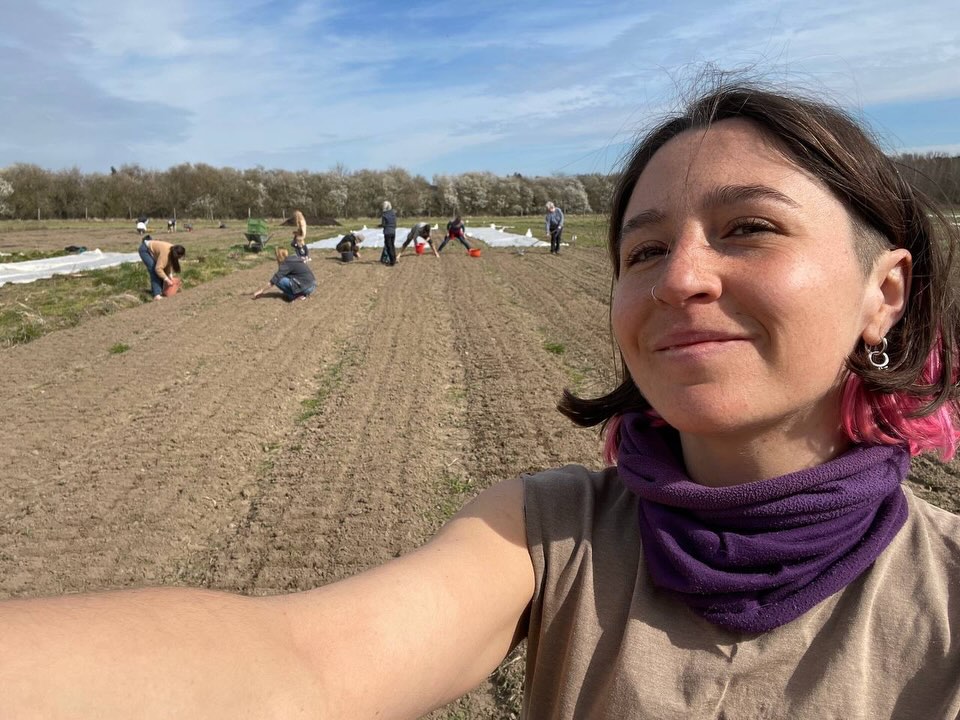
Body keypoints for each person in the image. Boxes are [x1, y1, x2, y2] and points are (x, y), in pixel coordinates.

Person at [3, 84, 960, 718]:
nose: (681, 279)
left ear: (885, 290)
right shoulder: (547, 536)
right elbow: (301, 661)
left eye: (749, 227)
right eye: (643, 249)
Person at [138, 234, 185, 301]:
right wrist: (167, 279)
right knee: (154, 270)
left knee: (161, 272)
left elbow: (167, 265)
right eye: (180, 257)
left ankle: (161, 291)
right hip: (145, 250)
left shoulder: (173, 250)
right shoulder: (166, 253)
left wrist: (170, 276)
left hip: (151, 250)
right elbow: (158, 269)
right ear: (176, 255)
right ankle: (156, 295)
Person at [379, 200, 398, 266]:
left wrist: (379, 226)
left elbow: (383, 224)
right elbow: (395, 223)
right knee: (392, 246)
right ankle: (395, 259)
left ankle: (392, 262)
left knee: (388, 246)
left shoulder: (384, 215)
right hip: (393, 231)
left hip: (387, 232)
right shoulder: (393, 213)